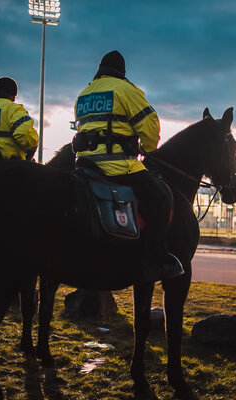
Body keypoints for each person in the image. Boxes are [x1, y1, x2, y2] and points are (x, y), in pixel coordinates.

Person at [72, 50, 183, 282]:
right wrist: (148, 149)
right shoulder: (126, 90)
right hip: (117, 167)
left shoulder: (84, 93)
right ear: (122, 71)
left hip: (85, 165)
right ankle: (153, 260)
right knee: (161, 198)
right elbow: (150, 124)